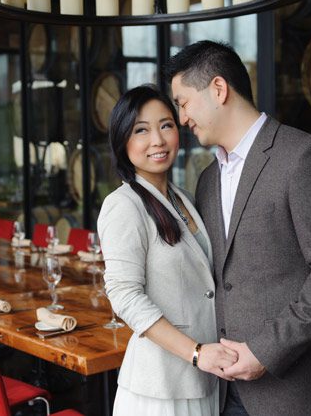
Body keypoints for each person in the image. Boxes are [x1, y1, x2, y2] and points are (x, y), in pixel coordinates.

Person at [165, 41, 311, 416]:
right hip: (226, 392)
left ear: (219, 89)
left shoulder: (304, 157)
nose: (182, 118)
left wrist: (265, 351)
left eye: (183, 101)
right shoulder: (207, 180)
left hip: (299, 392)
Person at [98, 84, 236, 415]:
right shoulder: (123, 205)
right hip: (160, 389)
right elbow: (125, 296)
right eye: (141, 130)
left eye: (166, 125)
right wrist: (196, 352)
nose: (157, 140)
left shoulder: (185, 198)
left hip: (204, 379)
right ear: (122, 141)